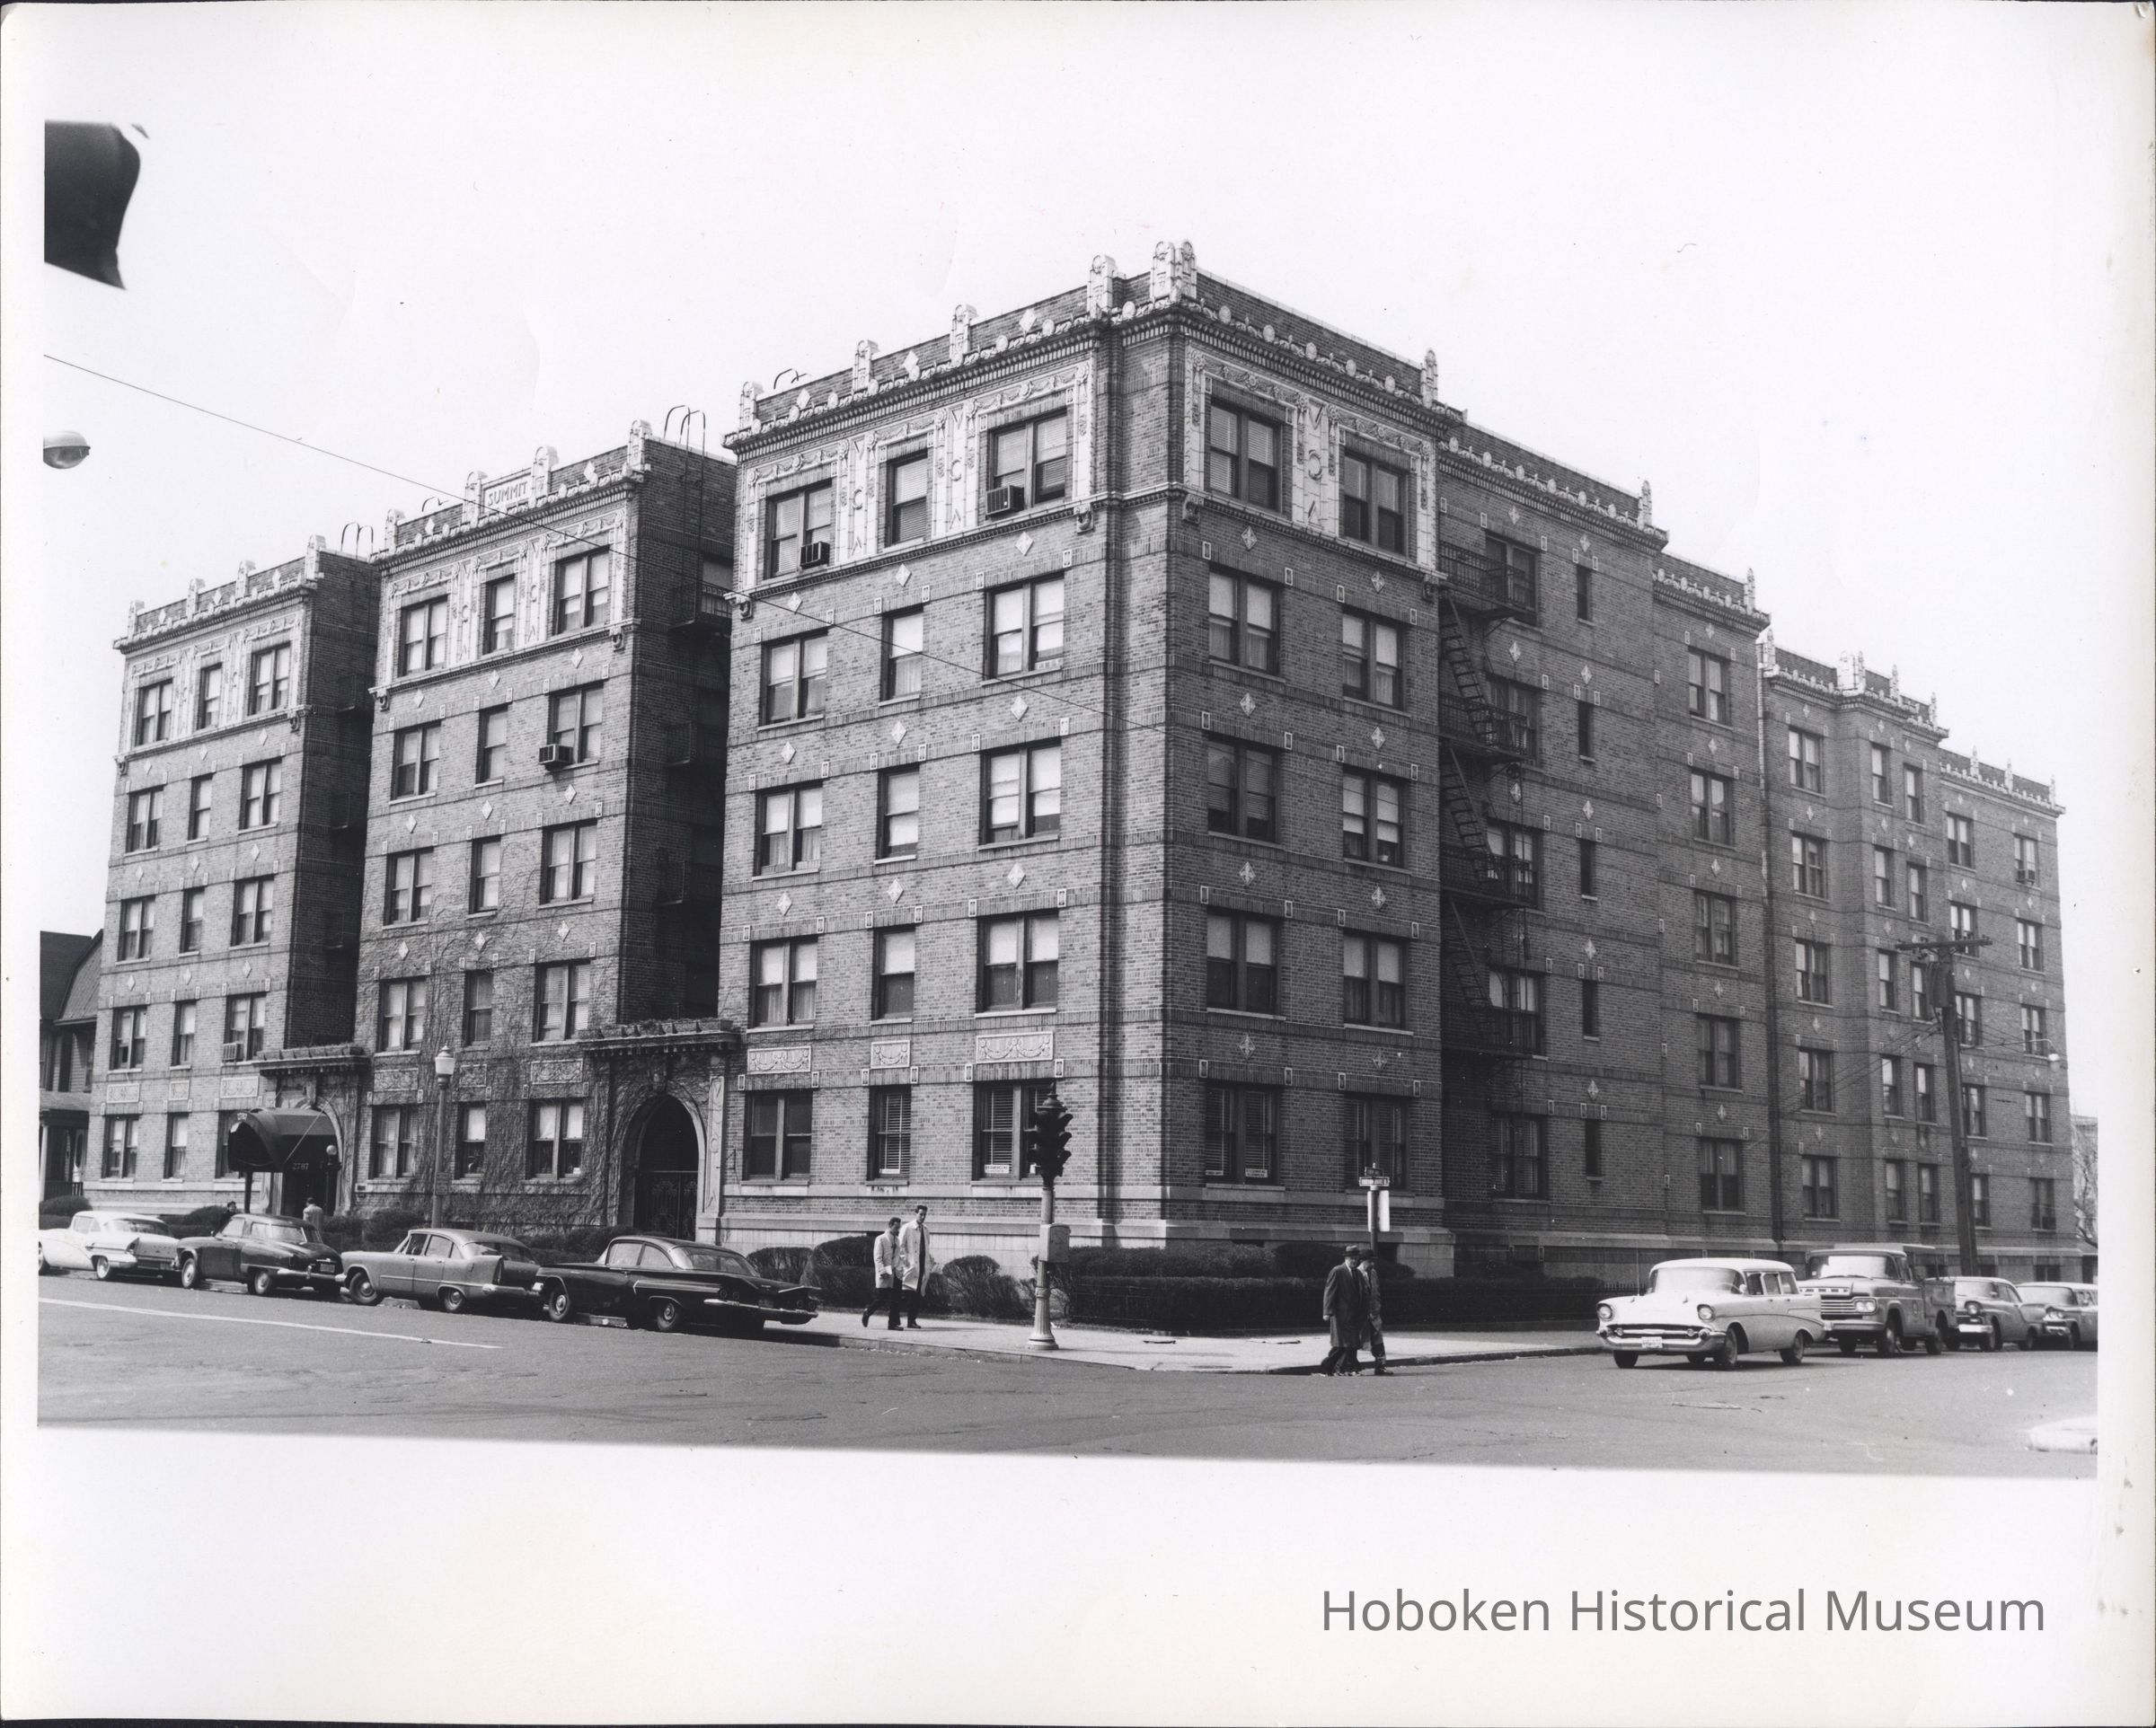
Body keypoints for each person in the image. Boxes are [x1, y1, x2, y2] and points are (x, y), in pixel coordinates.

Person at [1318, 1244, 1366, 1376]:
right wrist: (1327, 1311)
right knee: (1344, 1343)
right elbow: (1330, 1291)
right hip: (1340, 1314)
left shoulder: (1357, 1273)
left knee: (1351, 1342)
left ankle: (1344, 1368)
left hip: (1354, 1314)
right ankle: (1331, 1366)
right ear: (1346, 1258)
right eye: (1351, 1258)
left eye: (1356, 1258)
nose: (1354, 1261)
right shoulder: (1337, 1271)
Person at [862, 1218, 905, 1330]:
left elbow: (898, 1257)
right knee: (882, 1298)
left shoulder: (897, 1240)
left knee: (896, 1299)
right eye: (896, 1228)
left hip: (895, 1273)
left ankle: (892, 1324)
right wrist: (882, 1271)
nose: (897, 1230)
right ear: (890, 1225)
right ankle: (868, 1312)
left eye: (898, 1228)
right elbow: (878, 1258)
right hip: (885, 1272)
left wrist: (900, 1269)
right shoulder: (881, 1239)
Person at [1354, 1246, 1388, 1375]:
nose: (1372, 1264)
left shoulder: (1373, 1273)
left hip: (1374, 1313)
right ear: (1362, 1261)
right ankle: (1352, 1366)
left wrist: (1377, 1306)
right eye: (1370, 1261)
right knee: (1357, 1341)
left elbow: (1377, 1291)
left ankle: (1380, 1366)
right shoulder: (1356, 1274)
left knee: (1378, 1341)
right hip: (1362, 1315)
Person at [897, 1203, 932, 1328]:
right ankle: (903, 1319)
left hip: (922, 1266)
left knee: (917, 1295)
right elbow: (900, 1246)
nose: (922, 1217)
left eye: (924, 1215)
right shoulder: (907, 1228)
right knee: (908, 1295)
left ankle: (912, 1320)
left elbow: (926, 1248)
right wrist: (905, 1261)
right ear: (915, 1213)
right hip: (911, 1266)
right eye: (921, 1214)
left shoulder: (925, 1229)